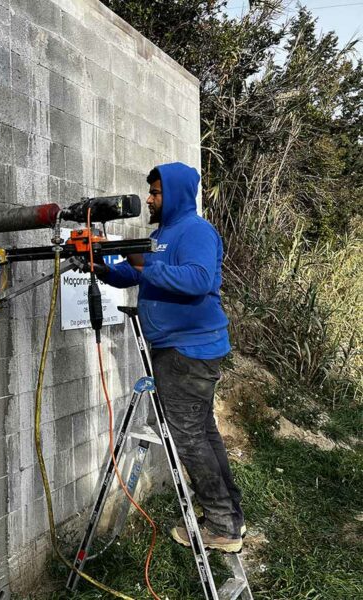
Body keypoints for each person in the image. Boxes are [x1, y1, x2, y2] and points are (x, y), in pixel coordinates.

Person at [89, 162, 244, 552]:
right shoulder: (161, 235)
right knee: (203, 434)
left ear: (173, 194)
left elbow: (198, 280)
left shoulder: (195, 231)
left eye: (156, 193)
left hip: (188, 352)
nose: (150, 199)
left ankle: (222, 527)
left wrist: (148, 263)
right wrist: (101, 268)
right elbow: (134, 275)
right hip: (178, 351)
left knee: (188, 438)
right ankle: (229, 514)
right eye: (151, 192)